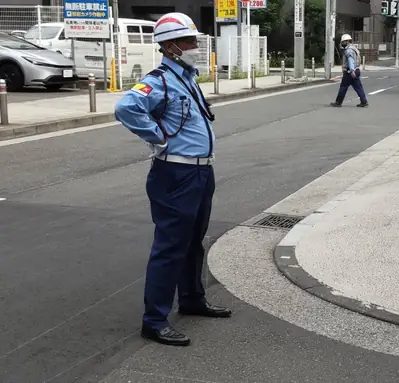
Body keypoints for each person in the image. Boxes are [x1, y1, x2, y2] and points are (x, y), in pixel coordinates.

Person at [114, 12, 231, 347]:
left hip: (200, 171)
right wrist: (156, 135)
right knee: (170, 247)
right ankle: (154, 320)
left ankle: (193, 299)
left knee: (194, 241)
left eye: (195, 40)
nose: (195, 46)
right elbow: (126, 107)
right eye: (189, 41)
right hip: (176, 173)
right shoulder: (160, 80)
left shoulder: (187, 78)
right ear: (169, 46)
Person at [331, 34, 368, 108]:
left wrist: (351, 70)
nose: (342, 43)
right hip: (356, 70)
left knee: (343, 87)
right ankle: (364, 101)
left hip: (349, 72)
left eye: (343, 42)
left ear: (347, 41)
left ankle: (338, 102)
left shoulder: (348, 50)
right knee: (358, 87)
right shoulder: (354, 48)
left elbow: (351, 60)